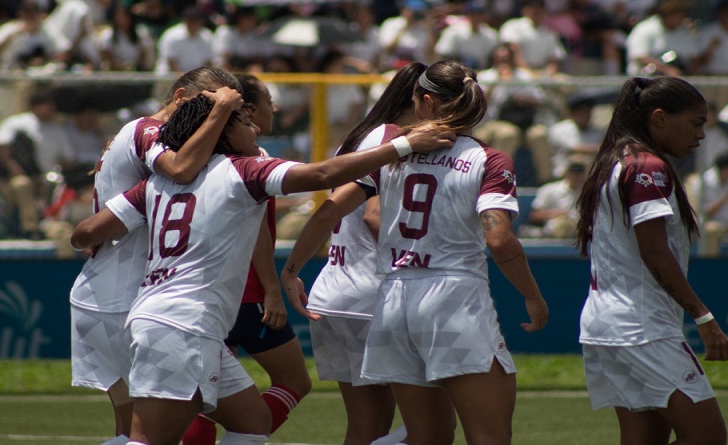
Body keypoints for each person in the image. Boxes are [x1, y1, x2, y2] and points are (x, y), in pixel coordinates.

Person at [70, 93, 455, 445]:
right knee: (149, 440)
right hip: (183, 324)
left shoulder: (157, 182)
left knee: (251, 423)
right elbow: (323, 175)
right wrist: (404, 144)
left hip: (168, 319)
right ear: (220, 129)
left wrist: (91, 243)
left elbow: (85, 232)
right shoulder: (245, 171)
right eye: (243, 121)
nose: (254, 127)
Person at [282, 59, 548, 445]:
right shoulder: (488, 158)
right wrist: (533, 296)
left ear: (425, 101)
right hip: (454, 302)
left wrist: (291, 269)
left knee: (426, 436)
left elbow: (333, 207)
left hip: (393, 302)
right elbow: (500, 239)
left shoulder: (392, 154)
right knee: (489, 436)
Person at [68, 66, 245, 445]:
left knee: (137, 431)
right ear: (181, 98)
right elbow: (179, 171)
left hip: (111, 294)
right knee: (145, 435)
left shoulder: (144, 133)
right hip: (122, 296)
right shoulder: (149, 129)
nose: (221, 117)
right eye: (214, 104)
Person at [575, 76, 728, 445]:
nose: (701, 136)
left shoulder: (615, 160)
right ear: (660, 117)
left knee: (644, 437)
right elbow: (654, 251)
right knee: (708, 436)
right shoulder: (648, 167)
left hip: (607, 323)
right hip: (641, 327)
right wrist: (703, 317)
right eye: (696, 123)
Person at [284, 62, 436, 445]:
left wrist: (291, 270)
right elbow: (374, 215)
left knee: (365, 427)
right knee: (434, 426)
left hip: (333, 292)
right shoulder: (396, 139)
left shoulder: (359, 137)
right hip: (371, 295)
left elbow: (329, 209)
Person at [181, 74, 313, 445]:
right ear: (248, 112)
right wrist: (273, 289)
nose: (275, 109)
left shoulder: (191, 161)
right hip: (245, 292)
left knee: (203, 398)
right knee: (295, 381)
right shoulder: (250, 164)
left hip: (200, 291)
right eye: (269, 101)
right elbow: (257, 232)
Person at [0, 88, 74, 239]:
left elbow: (69, 158)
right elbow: (1, 145)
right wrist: (13, 167)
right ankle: (30, 229)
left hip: (47, 178)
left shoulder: (57, 130)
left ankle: (53, 226)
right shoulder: (17, 122)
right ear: (35, 106)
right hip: (16, 176)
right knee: (22, 185)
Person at [624, 0, 700, 77]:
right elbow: (639, 57)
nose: (681, 16)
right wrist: (667, 70)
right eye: (675, 11)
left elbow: (693, 60)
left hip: (679, 83)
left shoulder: (685, 33)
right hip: (646, 82)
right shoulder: (645, 29)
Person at [525, 158, 587, 239]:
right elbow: (535, 215)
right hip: (554, 227)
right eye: (574, 173)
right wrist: (556, 213)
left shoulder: (587, 192)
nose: (577, 177)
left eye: (579, 174)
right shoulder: (550, 189)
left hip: (578, 228)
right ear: (567, 174)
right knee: (562, 226)